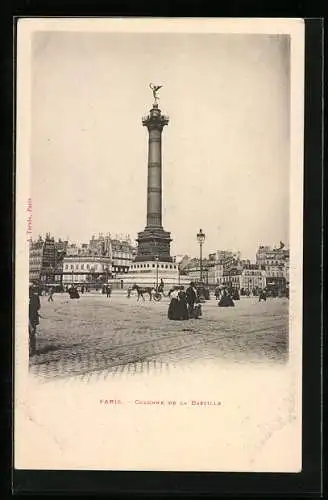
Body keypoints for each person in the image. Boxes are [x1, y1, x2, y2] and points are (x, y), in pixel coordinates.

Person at [29, 284, 41, 355]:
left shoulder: (22, 296)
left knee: (30, 334)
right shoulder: (36, 297)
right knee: (32, 334)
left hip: (30, 317)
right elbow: (38, 307)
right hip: (32, 317)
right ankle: (32, 350)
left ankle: (31, 350)